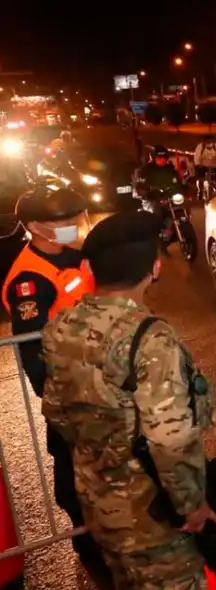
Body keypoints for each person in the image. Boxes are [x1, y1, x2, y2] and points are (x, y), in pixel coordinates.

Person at [41, 211, 216, 590]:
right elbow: (169, 439)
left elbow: (56, 411)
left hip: (98, 504)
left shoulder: (61, 326)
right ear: (155, 267)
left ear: (90, 269)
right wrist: (193, 505)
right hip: (150, 517)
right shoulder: (150, 339)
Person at [0, 187, 103, 571]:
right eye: (63, 221)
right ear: (37, 227)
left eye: (74, 217)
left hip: (98, 381)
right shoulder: (29, 280)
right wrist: (57, 397)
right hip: (70, 391)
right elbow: (33, 351)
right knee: (74, 469)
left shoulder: (74, 258)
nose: (72, 226)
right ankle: (85, 540)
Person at [193, 134, 216, 199]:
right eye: (207, 142)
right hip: (203, 165)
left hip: (214, 166)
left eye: (210, 142)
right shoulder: (200, 147)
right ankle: (200, 192)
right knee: (200, 178)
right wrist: (197, 164)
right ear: (204, 142)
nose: (209, 144)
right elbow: (196, 157)